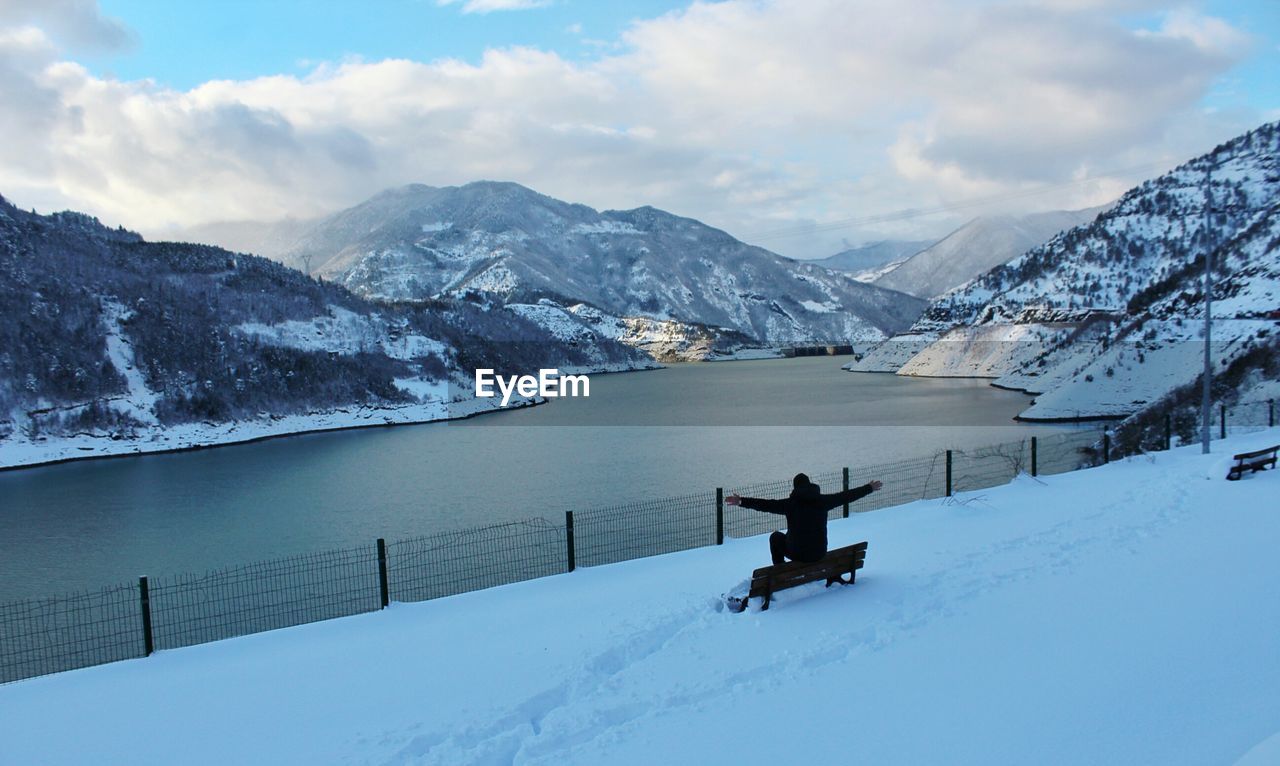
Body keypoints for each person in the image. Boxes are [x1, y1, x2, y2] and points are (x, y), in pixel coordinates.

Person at [726, 473, 883, 565]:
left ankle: (780, 571)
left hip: (798, 555)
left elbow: (766, 505)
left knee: (775, 537)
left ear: (795, 488)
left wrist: (741, 501)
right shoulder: (823, 501)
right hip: (819, 553)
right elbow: (846, 497)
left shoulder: (790, 505)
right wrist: (869, 488)